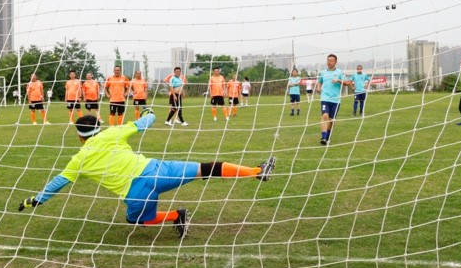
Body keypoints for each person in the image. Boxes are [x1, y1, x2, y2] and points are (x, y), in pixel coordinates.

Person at [22, 111, 275, 238]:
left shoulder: (79, 159)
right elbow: (147, 121)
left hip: (137, 193)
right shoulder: (112, 133)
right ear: (99, 128)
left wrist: (35, 200)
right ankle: (256, 171)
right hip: (157, 170)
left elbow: (58, 183)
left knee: (136, 220)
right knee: (205, 168)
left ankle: (176, 216)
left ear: (80, 137)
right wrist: (148, 112)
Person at [316, 54, 353, 145]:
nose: (329, 62)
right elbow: (319, 82)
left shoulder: (339, 72)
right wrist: (318, 87)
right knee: (325, 116)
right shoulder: (323, 72)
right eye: (328, 60)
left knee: (331, 120)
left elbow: (347, 83)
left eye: (331, 60)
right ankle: (323, 137)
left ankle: (328, 136)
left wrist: (338, 80)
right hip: (325, 98)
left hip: (336, 100)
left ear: (335, 62)